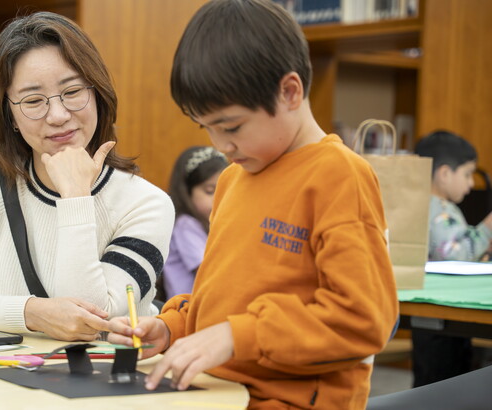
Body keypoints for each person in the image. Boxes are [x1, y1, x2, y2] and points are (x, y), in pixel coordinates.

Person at [107, 1, 399, 408]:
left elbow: (364, 321)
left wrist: (237, 336)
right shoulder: (231, 180)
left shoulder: (338, 176)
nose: (220, 145)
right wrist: (173, 327)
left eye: (231, 127)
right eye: (205, 128)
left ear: (290, 92)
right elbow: (223, 302)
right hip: (216, 393)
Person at [0, 12, 174, 342]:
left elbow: (92, 318)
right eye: (34, 101)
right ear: (9, 115)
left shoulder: (147, 204)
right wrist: (36, 313)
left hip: (103, 384)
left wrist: (76, 197)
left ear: (98, 92)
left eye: (73, 91)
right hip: (8, 378)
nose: (58, 115)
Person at [411, 130, 492, 387]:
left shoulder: (425, 204)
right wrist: (488, 226)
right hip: (442, 314)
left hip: (428, 312)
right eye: (467, 174)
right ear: (445, 174)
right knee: (442, 380)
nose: (470, 184)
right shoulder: (437, 208)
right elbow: (455, 255)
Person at [162, 146, 227, 300]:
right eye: (210, 191)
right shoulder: (185, 225)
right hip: (186, 312)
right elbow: (210, 272)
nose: (218, 198)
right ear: (187, 191)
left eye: (224, 190)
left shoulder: (212, 223)